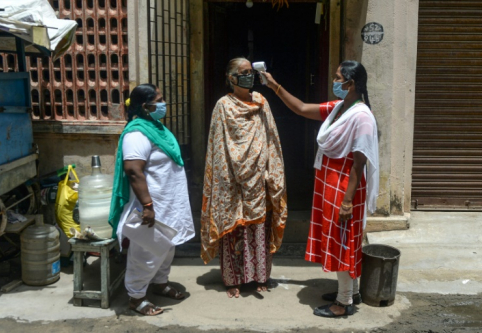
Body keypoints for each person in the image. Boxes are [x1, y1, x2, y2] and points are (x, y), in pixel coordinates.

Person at [262, 60, 379, 317]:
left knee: (342, 241)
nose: (334, 82)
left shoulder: (361, 117)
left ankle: (344, 302)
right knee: (339, 238)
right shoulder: (339, 109)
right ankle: (352, 290)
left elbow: (359, 164)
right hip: (330, 184)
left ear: (350, 84)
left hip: (345, 188)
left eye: (338, 78)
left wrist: (347, 202)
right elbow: (303, 108)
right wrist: (274, 87)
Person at [200, 57, 288, 298]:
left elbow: (270, 138)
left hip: (259, 177)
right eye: (243, 72)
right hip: (231, 180)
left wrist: (272, 171)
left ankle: (261, 276)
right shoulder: (223, 106)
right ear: (231, 78)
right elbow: (218, 146)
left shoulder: (261, 102)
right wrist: (225, 178)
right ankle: (233, 279)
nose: (249, 75)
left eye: (251, 71)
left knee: (259, 226)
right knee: (234, 228)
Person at [109, 84, 195, 316]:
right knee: (146, 252)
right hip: (151, 204)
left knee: (167, 247)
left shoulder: (155, 128)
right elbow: (134, 170)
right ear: (145, 106)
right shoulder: (137, 133)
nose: (163, 103)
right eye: (159, 99)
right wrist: (147, 205)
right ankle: (136, 297)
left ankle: (159, 283)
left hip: (167, 203)